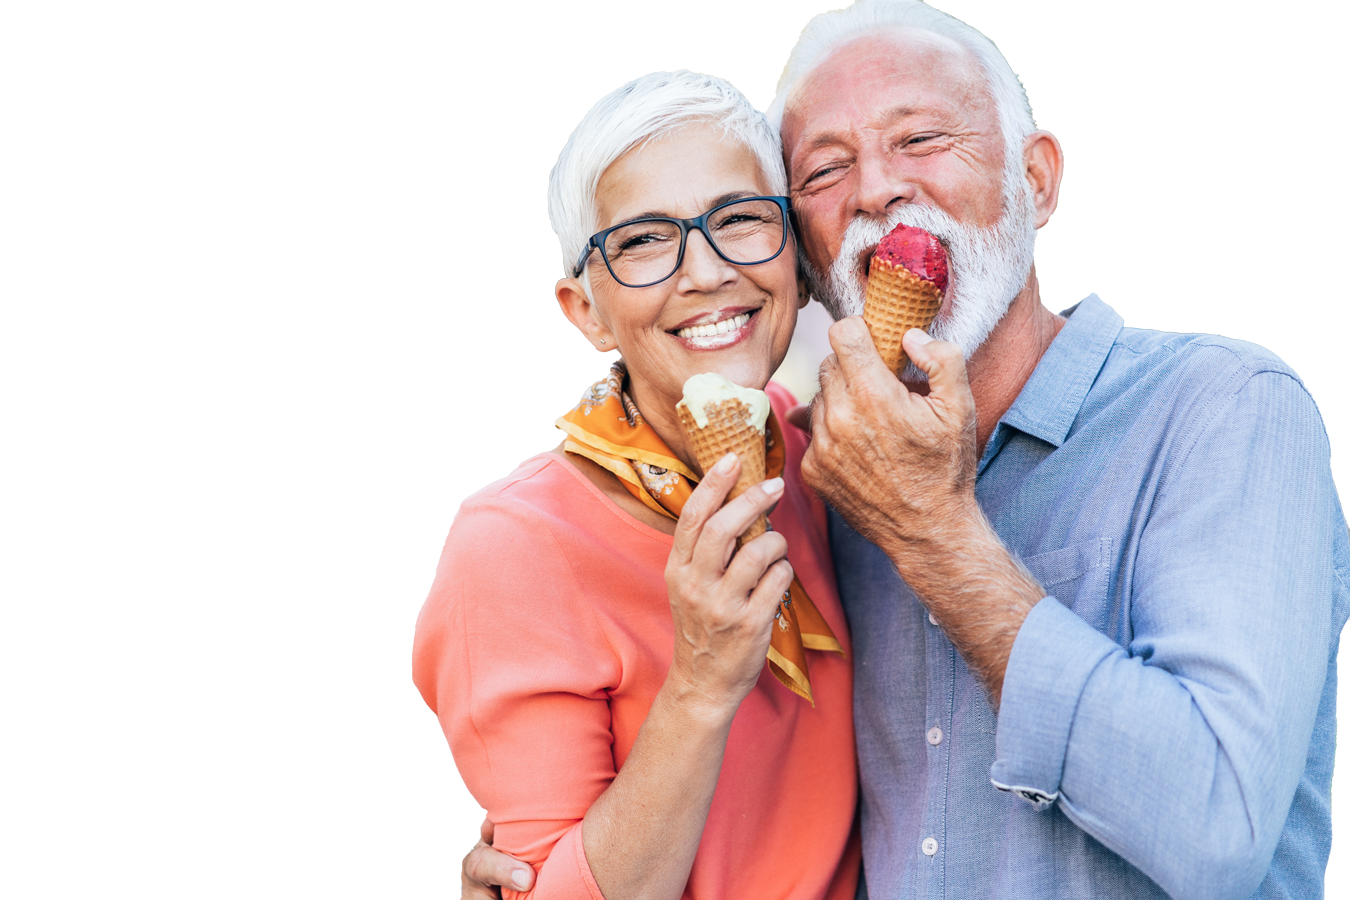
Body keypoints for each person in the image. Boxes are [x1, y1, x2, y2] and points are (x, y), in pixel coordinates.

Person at [464, 1, 1349, 898]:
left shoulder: (1224, 412)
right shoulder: (815, 474)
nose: (878, 188)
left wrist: (933, 533)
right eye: (827, 167)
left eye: (922, 138)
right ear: (806, 260)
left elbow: (1220, 829)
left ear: (1037, 182)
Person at [413, 71, 861, 900]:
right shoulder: (513, 547)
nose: (706, 270)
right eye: (646, 240)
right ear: (584, 309)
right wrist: (699, 681)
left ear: (796, 261)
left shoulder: (828, 460)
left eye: (740, 220)